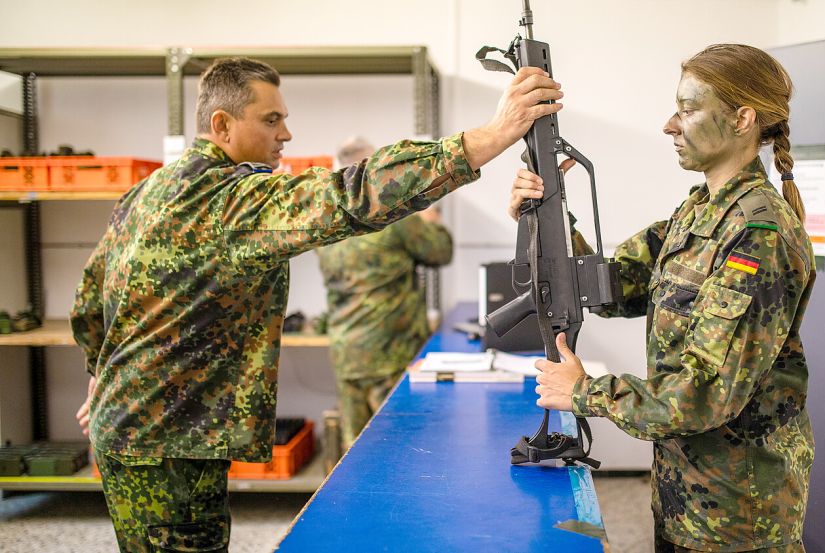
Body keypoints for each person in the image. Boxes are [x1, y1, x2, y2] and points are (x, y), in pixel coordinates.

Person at [71, 56, 563, 553]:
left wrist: (103, 377)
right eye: (270, 119)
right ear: (221, 125)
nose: (285, 133)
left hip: (140, 428)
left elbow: (91, 300)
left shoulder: (146, 192)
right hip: (167, 439)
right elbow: (351, 195)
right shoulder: (228, 200)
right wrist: (488, 138)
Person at [509, 44, 815, 552]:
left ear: (742, 119)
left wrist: (586, 391)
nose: (670, 125)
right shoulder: (700, 211)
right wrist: (549, 218)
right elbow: (612, 288)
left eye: (688, 110)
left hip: (738, 517)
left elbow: (706, 393)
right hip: (685, 495)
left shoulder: (758, 233)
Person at [317, 136, 453, 450]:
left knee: (354, 451)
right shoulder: (391, 219)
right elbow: (440, 252)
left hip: (346, 350)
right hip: (389, 351)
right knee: (397, 447)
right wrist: (431, 218)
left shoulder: (326, 219)